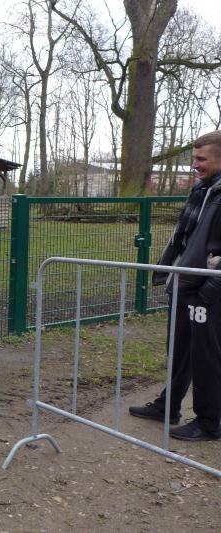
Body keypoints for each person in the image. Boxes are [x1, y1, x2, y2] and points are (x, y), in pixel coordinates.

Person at [129, 130, 221, 442]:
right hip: (184, 282)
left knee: (206, 356)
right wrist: (168, 270)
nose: (195, 164)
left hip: (208, 290)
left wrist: (209, 290)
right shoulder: (201, 189)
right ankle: (167, 406)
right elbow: (185, 235)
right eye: (194, 158)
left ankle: (209, 423)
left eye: (201, 159)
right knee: (179, 348)